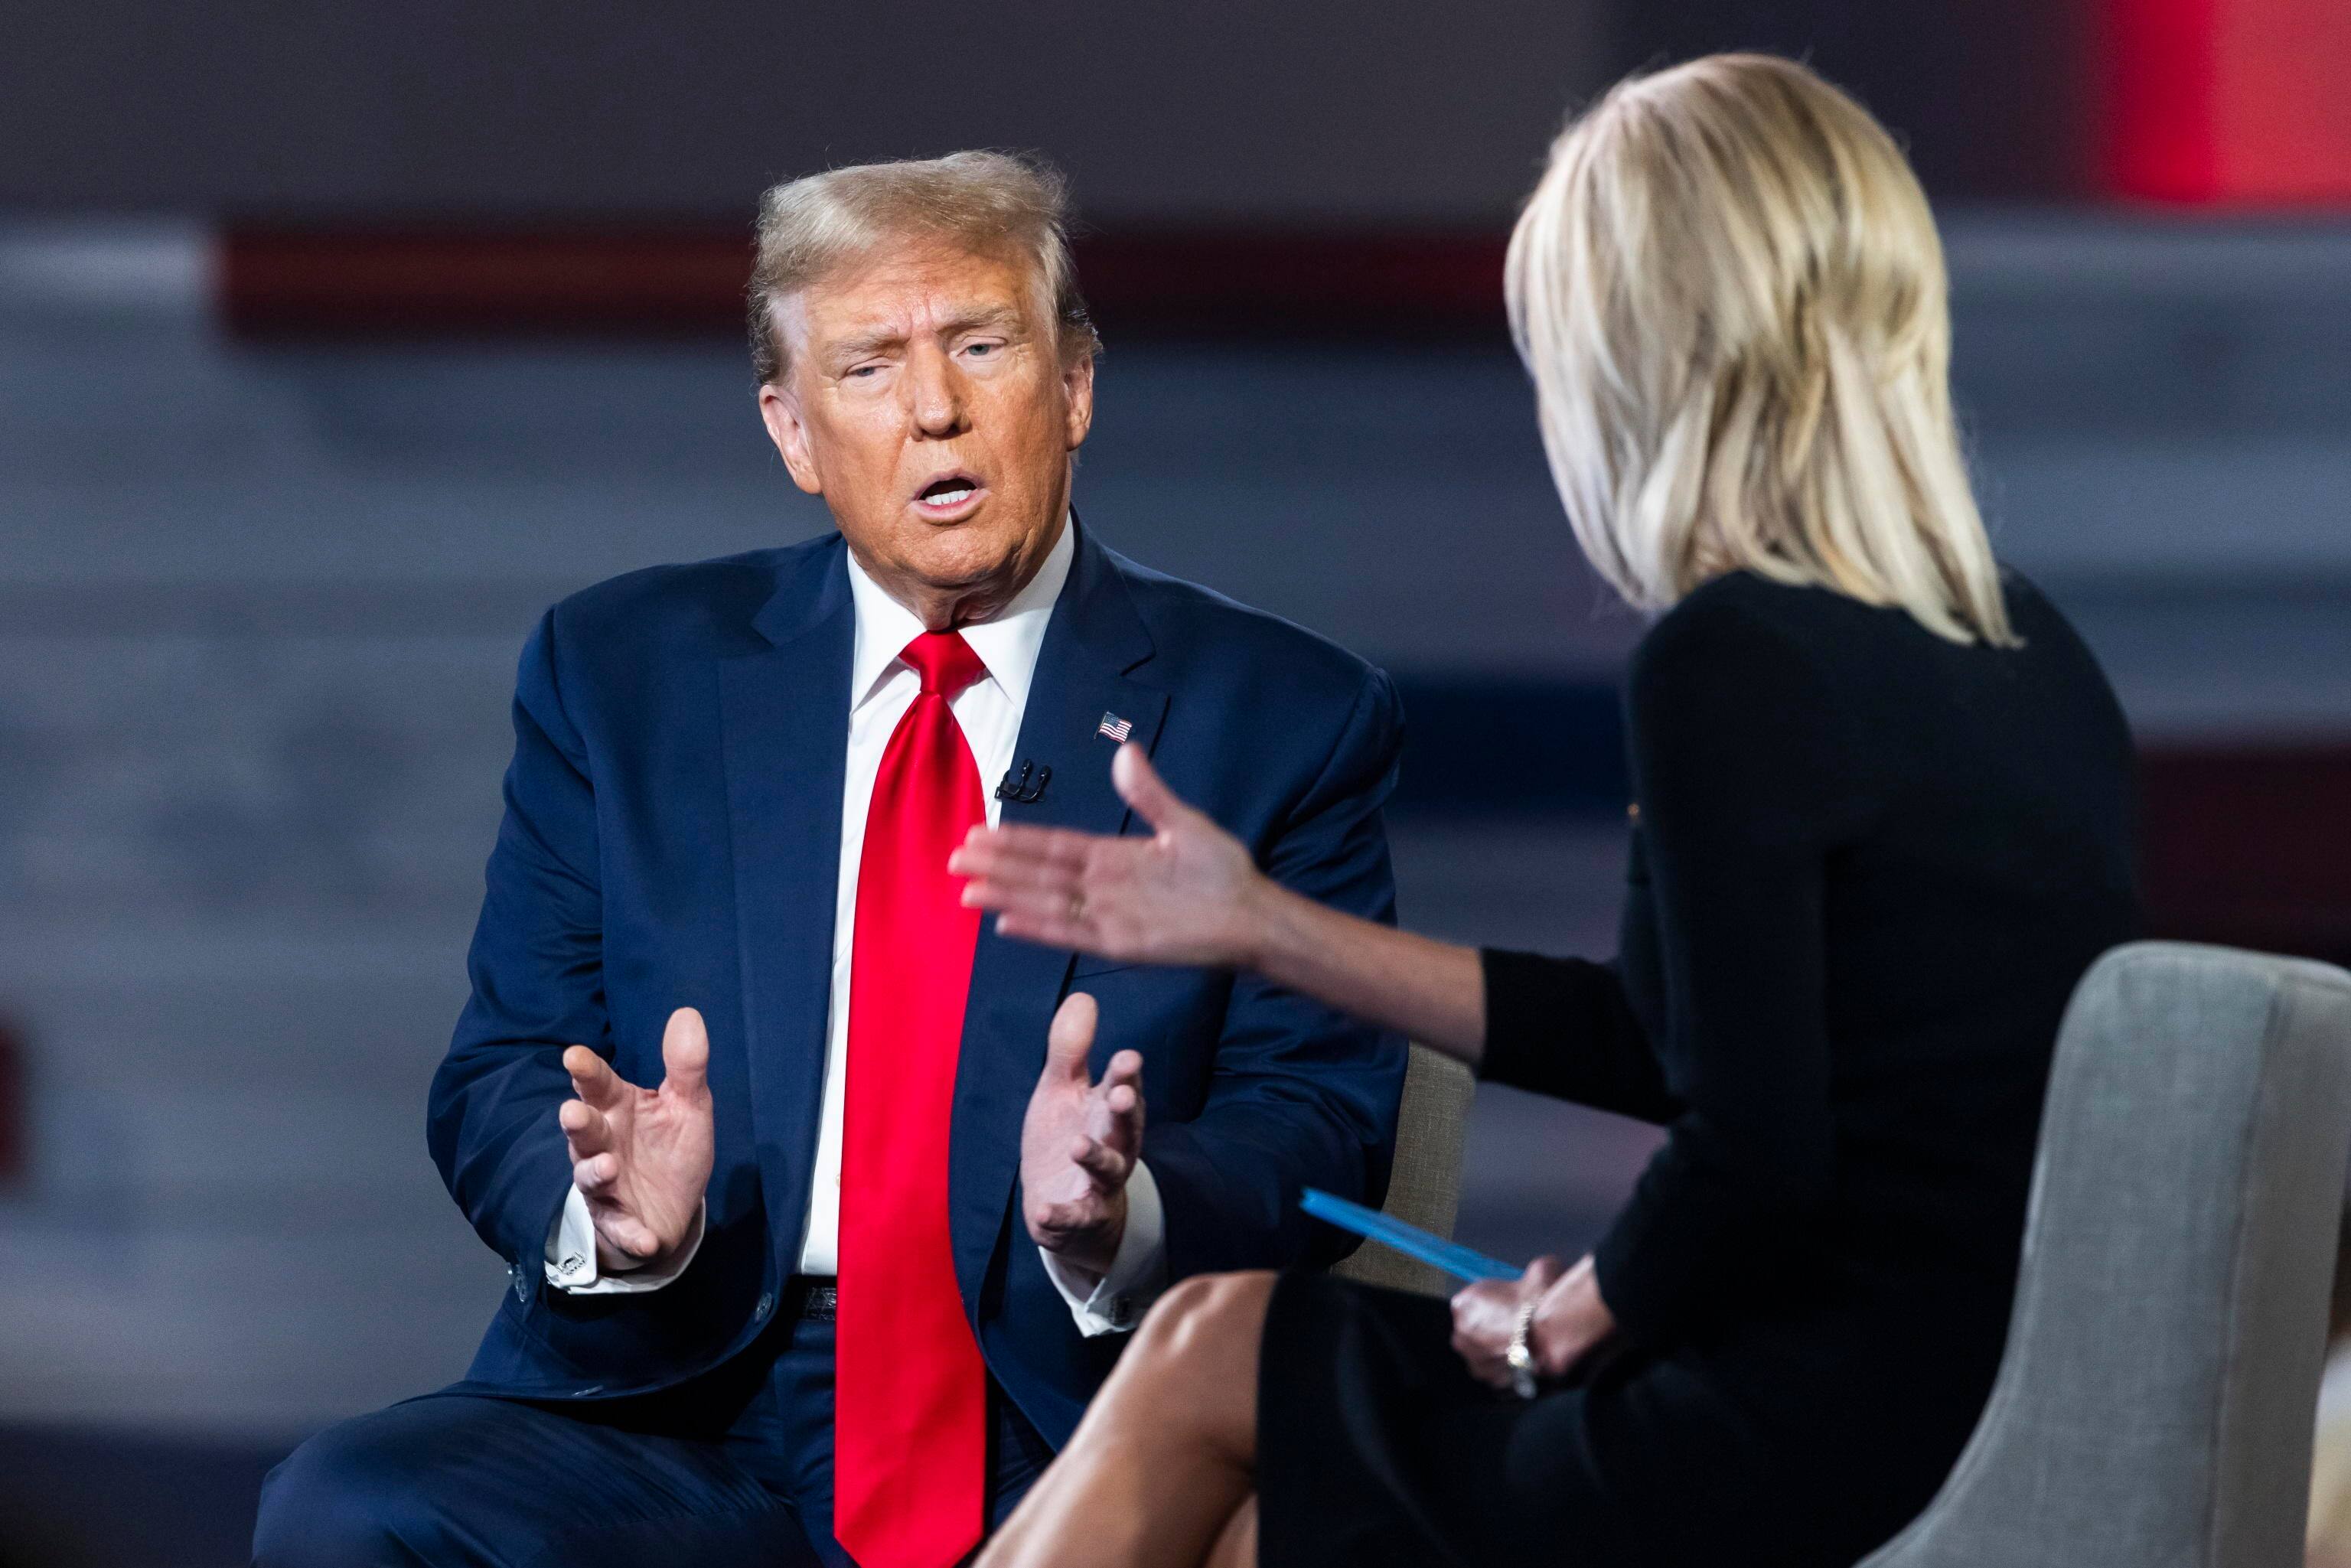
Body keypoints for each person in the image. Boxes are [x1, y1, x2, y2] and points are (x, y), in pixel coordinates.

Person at [954, 54, 2139, 1568]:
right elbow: (1690, 1042)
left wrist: (1570, 1313)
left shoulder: (1738, 654)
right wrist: (1266, 926)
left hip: (1799, 1424)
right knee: (1257, 1526)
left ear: (1647, 356)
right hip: (1947, 1391)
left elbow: (1753, 1151)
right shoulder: (2030, 654)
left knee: (1206, 1338)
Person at [252, 152, 1408, 1568]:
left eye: (983, 346)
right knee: (349, 1503)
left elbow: (1323, 1116)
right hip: (683, 1411)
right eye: (871, 366)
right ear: (794, 433)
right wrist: (609, 1215)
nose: (937, 408)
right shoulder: (623, 675)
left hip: (1058, 1414)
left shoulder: (1277, 712)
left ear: (1078, 388)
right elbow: (502, 1065)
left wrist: (1122, 1207)